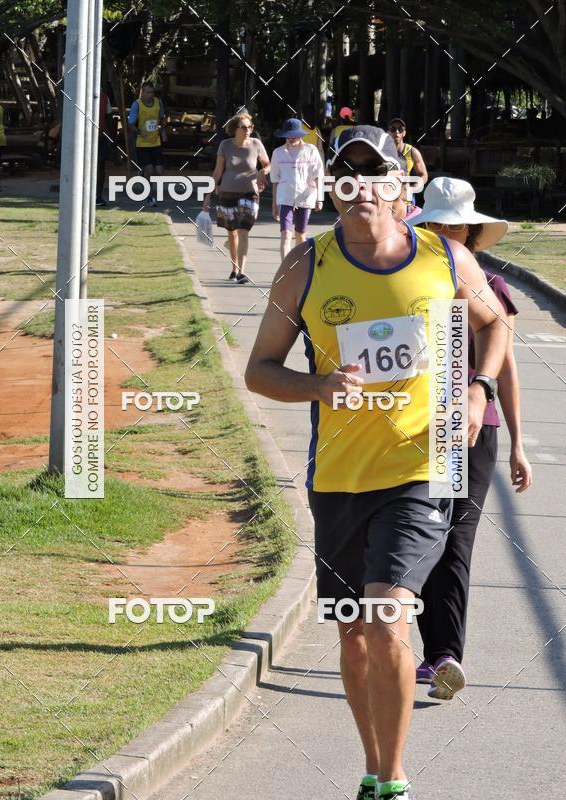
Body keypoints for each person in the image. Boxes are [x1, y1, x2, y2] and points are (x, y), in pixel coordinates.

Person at [245, 125, 508, 800]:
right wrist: (318, 386)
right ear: (333, 186)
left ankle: (392, 782)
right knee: (354, 633)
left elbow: (494, 323)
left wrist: (478, 388)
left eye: (376, 174)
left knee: (388, 613)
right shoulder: (306, 265)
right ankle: (372, 763)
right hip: (338, 477)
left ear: (400, 188)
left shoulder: (444, 260)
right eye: (348, 174)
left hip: (423, 466)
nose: (362, 186)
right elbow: (260, 370)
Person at [410, 177, 533, 699]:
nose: (444, 231)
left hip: (471, 431)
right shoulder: (408, 281)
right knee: (420, 539)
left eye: (453, 223)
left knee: (455, 538)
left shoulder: (492, 291)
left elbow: (506, 372)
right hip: (416, 426)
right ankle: (428, 649)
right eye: (434, 222)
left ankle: (444, 656)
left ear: (471, 229)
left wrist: (518, 445)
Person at [201, 111, 270, 284]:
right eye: (244, 127)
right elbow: (218, 172)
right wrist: (207, 196)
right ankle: (234, 268)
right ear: (235, 129)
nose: (247, 130)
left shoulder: (256, 144)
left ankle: (241, 272)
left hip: (250, 192)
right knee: (232, 233)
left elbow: (268, 164)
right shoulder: (225, 145)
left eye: (250, 127)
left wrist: (263, 172)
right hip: (227, 192)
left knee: (243, 230)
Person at [270, 118, 323, 260]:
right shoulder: (278, 153)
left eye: (294, 135)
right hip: (285, 197)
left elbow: (319, 175)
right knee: (286, 233)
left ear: (300, 135)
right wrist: (274, 204)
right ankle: (285, 269)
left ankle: (301, 265)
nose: (292, 138)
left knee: (300, 233)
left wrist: (320, 198)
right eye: (289, 135)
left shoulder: (311, 150)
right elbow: (275, 180)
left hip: (306, 197)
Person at [127, 82, 167, 207]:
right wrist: (140, 131)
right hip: (142, 143)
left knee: (159, 171)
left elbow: (163, 118)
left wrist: (163, 130)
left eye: (152, 92)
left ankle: (143, 174)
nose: (150, 95)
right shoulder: (136, 105)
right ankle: (150, 196)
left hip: (155, 141)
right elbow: (130, 124)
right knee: (150, 169)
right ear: (142, 93)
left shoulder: (158, 102)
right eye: (148, 92)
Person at [387, 118, 428, 185]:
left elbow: (424, 175)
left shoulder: (412, 152)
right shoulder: (383, 151)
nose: (397, 132)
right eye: (393, 129)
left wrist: (414, 187)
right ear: (388, 133)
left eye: (400, 129)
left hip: (405, 191)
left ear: (404, 133)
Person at [96, 89, 113, 207]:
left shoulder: (104, 97)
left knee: (100, 165)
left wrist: (111, 136)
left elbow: (108, 117)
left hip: (100, 136)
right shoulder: (80, 94)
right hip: (83, 137)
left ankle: (98, 195)